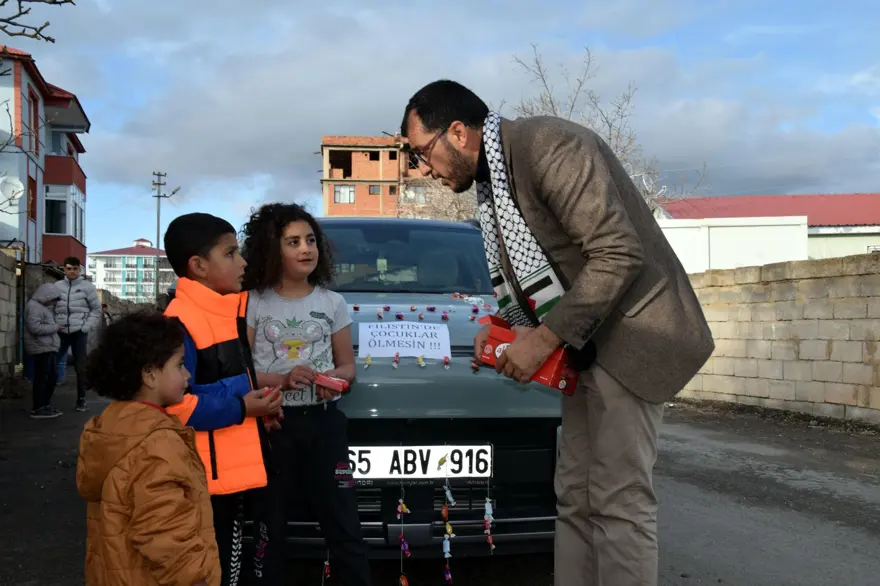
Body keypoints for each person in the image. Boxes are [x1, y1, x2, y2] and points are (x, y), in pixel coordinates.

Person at [400, 80, 714, 586]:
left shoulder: (548, 146)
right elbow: (543, 271)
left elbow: (617, 253)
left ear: (457, 132)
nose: (425, 170)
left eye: (422, 154)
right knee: (574, 496)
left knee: (617, 501)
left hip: (629, 341)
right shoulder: (494, 182)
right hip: (582, 348)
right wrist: (503, 329)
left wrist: (542, 341)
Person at [240, 202, 371, 586]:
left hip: (325, 426)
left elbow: (348, 368)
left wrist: (332, 378)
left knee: (343, 521)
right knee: (269, 524)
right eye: (293, 241)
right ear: (271, 248)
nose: (305, 249)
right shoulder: (253, 302)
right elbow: (241, 373)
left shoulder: (332, 303)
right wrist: (283, 380)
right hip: (272, 428)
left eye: (311, 240)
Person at [162, 212, 285, 586]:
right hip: (206, 481)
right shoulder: (180, 321)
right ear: (198, 266)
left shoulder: (228, 309)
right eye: (231, 253)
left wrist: (259, 410)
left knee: (240, 566)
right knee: (215, 571)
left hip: (236, 473)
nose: (243, 261)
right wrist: (243, 407)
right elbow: (175, 406)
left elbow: (228, 380)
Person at [76, 310, 221, 586]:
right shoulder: (157, 443)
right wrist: (196, 580)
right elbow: (164, 533)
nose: (187, 374)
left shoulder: (110, 426)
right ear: (150, 375)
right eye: (179, 365)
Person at [54, 256, 101, 412]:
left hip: (79, 331)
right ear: (64, 269)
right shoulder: (57, 286)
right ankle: (45, 401)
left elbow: (96, 309)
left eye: (75, 269)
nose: (72, 271)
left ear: (79, 270)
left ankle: (81, 399)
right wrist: (54, 324)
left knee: (80, 367)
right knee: (52, 363)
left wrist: (86, 326)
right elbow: (51, 307)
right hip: (60, 331)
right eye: (69, 268)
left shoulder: (87, 287)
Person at [24, 283, 64, 419]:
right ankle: (38, 407)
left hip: (47, 347)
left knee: (51, 377)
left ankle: (45, 405)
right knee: (43, 377)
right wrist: (55, 327)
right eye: (53, 299)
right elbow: (35, 328)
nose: (52, 303)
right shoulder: (34, 307)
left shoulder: (41, 307)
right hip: (41, 347)